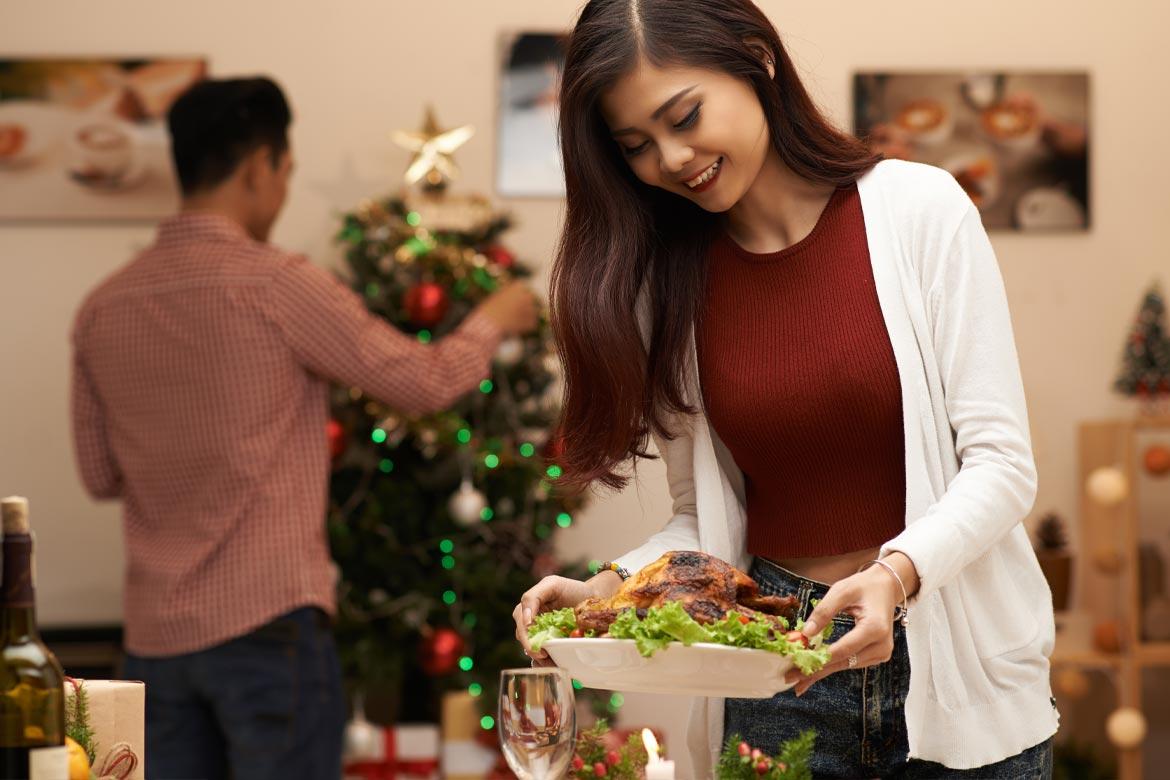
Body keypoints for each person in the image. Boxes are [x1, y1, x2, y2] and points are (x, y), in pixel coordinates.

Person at [511, 1, 1056, 777]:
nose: (670, 157)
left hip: (955, 666)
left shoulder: (919, 211)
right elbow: (706, 516)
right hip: (778, 670)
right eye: (636, 144)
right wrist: (608, 588)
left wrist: (894, 576)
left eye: (685, 115)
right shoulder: (667, 289)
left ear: (755, 58)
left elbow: (1001, 464)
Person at [70, 77, 537, 780]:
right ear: (261, 165)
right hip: (268, 628)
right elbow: (424, 383)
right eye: (285, 171)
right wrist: (492, 321)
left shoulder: (103, 307)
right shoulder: (275, 284)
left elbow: (100, 476)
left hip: (153, 644)